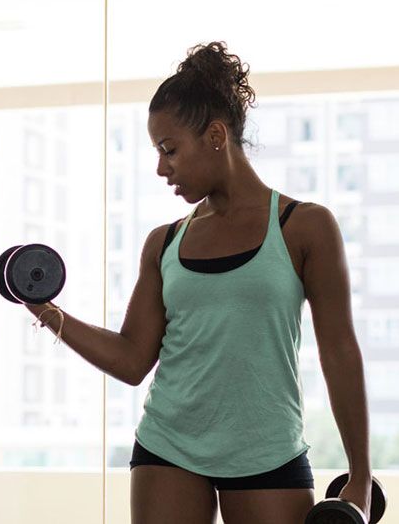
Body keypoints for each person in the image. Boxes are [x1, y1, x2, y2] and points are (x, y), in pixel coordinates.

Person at [25, 42, 372, 524]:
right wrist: (47, 311)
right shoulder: (163, 243)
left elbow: (339, 350)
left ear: (215, 136)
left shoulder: (304, 226)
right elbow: (131, 359)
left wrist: (360, 471)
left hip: (266, 449)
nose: (161, 168)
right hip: (169, 444)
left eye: (170, 150)